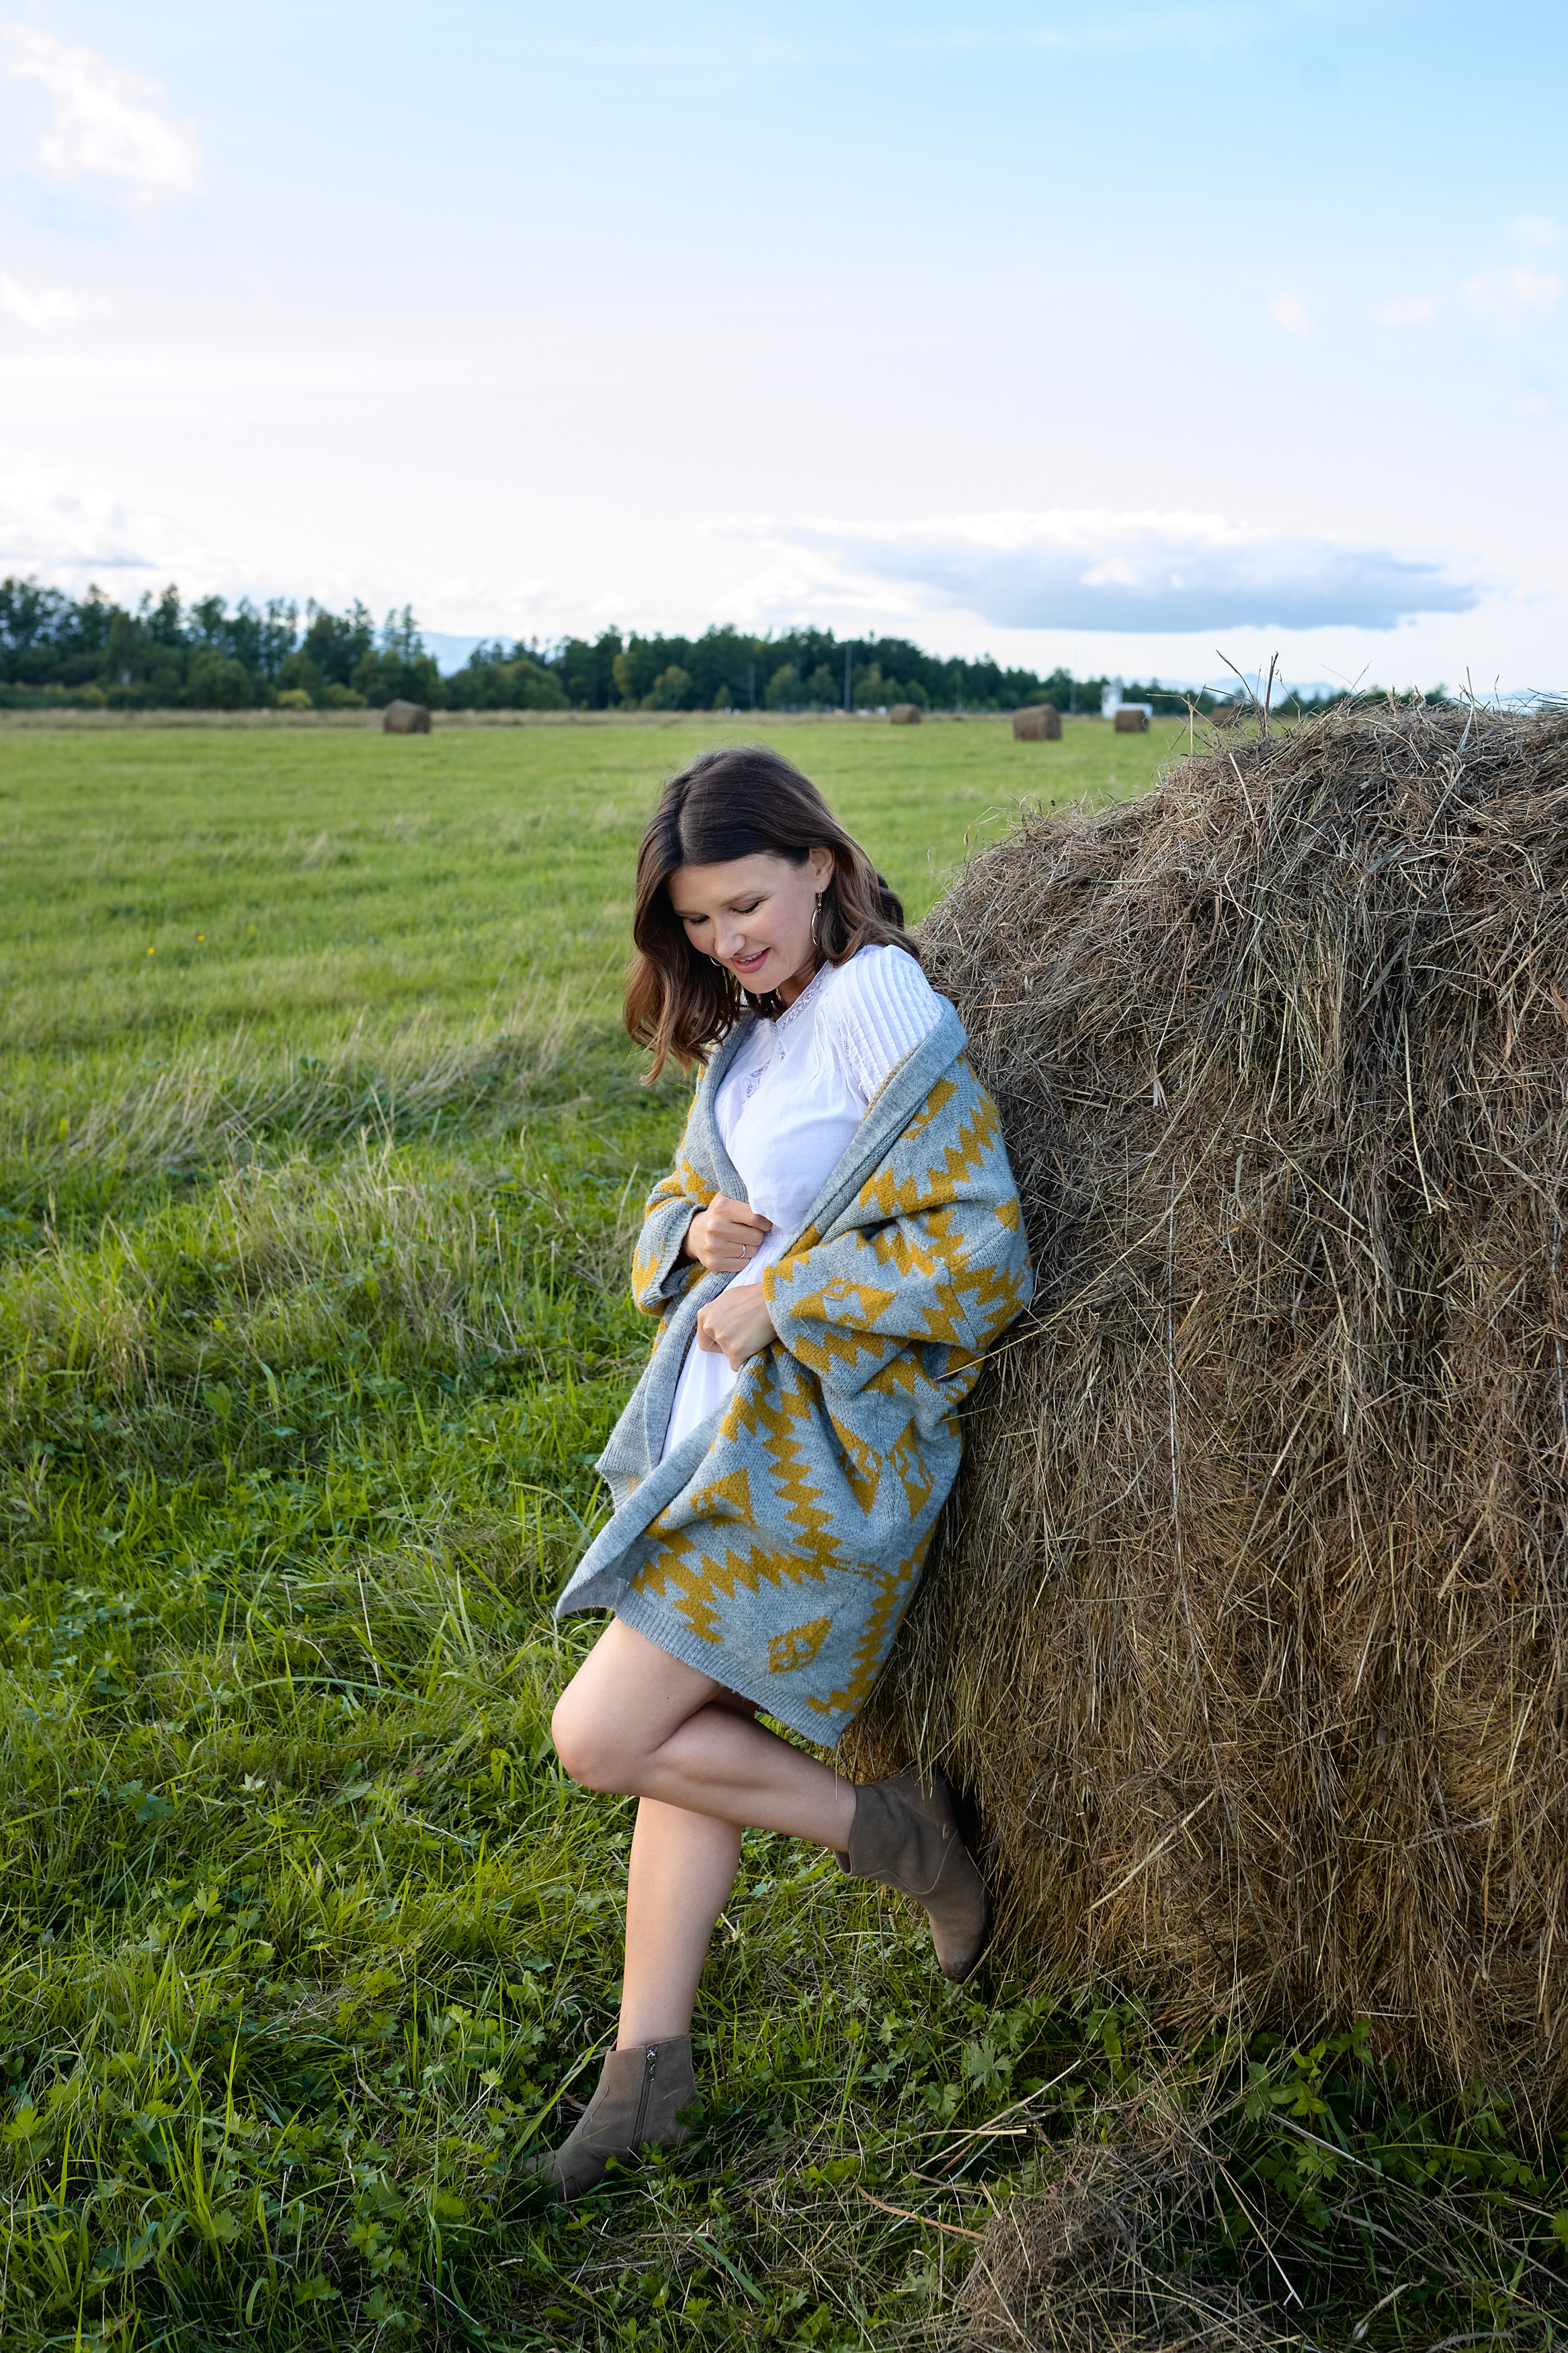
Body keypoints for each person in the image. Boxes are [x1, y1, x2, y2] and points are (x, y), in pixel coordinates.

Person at [543, 744, 1031, 2198]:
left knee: (601, 1737)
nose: (727, 942)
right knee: (682, 1743)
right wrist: (692, 1238)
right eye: (698, 922)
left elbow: (980, 1243)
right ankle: (646, 2078)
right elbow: (693, 1193)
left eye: (746, 904)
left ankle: (902, 1835)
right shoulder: (754, 1034)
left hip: (813, 1462)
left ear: (819, 864)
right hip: (722, 1444)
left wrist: (792, 1298)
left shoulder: (877, 1003)